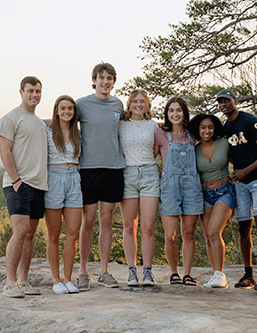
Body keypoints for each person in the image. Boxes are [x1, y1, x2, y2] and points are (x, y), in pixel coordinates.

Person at [218, 89, 257, 293]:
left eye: (227, 100)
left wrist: (245, 171)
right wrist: (237, 171)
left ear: (236, 100)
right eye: (221, 102)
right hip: (241, 182)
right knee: (244, 226)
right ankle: (248, 274)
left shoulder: (250, 121)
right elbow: (230, 152)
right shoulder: (227, 127)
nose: (224, 104)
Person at [74, 62, 126, 290]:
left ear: (114, 82)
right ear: (94, 80)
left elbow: (128, 127)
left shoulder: (118, 104)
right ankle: (83, 271)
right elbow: (62, 123)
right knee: (88, 220)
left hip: (114, 168)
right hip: (88, 169)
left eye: (110, 78)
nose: (105, 82)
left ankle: (104, 271)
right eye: (101, 78)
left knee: (107, 221)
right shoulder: (82, 104)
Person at [0, 76, 49, 298]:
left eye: (38, 91)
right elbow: (4, 151)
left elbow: (50, 123)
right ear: (21, 91)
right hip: (18, 184)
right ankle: (9, 283)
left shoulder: (38, 122)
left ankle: (23, 280)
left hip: (39, 185)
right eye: (31, 91)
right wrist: (16, 180)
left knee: (30, 235)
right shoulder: (10, 118)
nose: (35, 95)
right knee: (19, 232)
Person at [155, 97, 203, 286]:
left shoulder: (193, 134)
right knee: (170, 235)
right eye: (171, 111)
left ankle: (187, 274)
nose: (175, 114)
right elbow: (151, 156)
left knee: (188, 232)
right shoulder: (160, 133)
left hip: (192, 186)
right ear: (166, 114)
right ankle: (174, 272)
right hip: (169, 188)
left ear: (184, 112)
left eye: (178, 110)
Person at [118, 89, 160, 286]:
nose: (138, 104)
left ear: (147, 104)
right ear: (129, 103)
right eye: (135, 101)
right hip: (127, 175)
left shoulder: (153, 126)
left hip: (149, 174)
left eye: (142, 101)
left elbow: (156, 149)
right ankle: (132, 270)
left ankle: (148, 271)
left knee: (148, 226)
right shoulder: (121, 125)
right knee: (129, 225)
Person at [43, 95, 83, 294]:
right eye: (63, 108)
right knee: (53, 235)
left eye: (70, 109)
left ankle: (68, 279)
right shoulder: (48, 131)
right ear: (56, 111)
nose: (67, 112)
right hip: (54, 179)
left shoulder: (78, 134)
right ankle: (56, 280)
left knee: (72, 235)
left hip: (74, 180)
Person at [190, 113, 234, 288]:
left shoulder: (224, 144)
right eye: (203, 128)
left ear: (214, 129)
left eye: (210, 127)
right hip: (204, 194)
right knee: (208, 235)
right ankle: (216, 274)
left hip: (225, 191)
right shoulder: (195, 149)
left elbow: (241, 155)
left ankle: (220, 274)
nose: (206, 131)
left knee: (215, 231)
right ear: (198, 130)